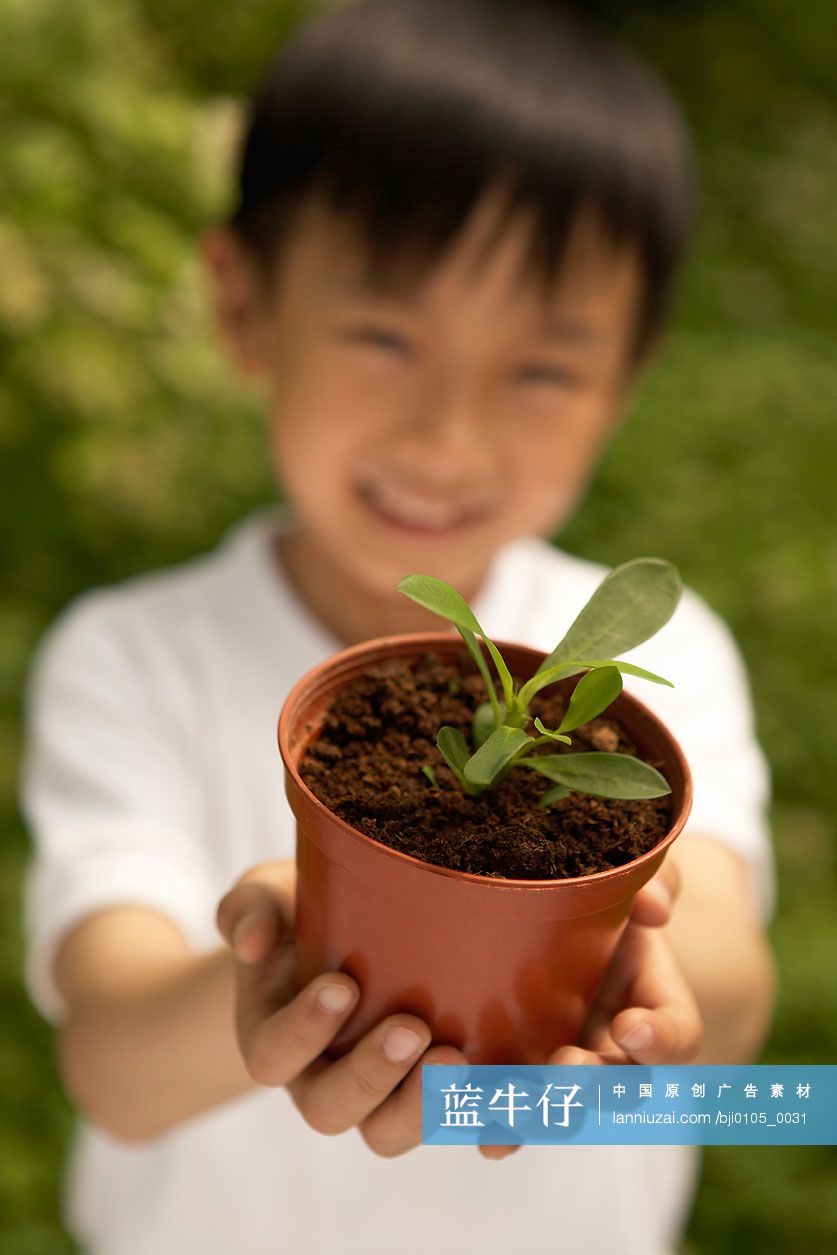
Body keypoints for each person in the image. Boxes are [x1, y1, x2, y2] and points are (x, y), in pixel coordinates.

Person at [20, 1, 778, 1252]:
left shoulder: (673, 647)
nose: (447, 438)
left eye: (539, 368)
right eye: (384, 335)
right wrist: (293, 966)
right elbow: (108, 1056)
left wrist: (641, 1000)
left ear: (628, 376)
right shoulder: (133, 658)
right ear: (244, 303)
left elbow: (732, 995)